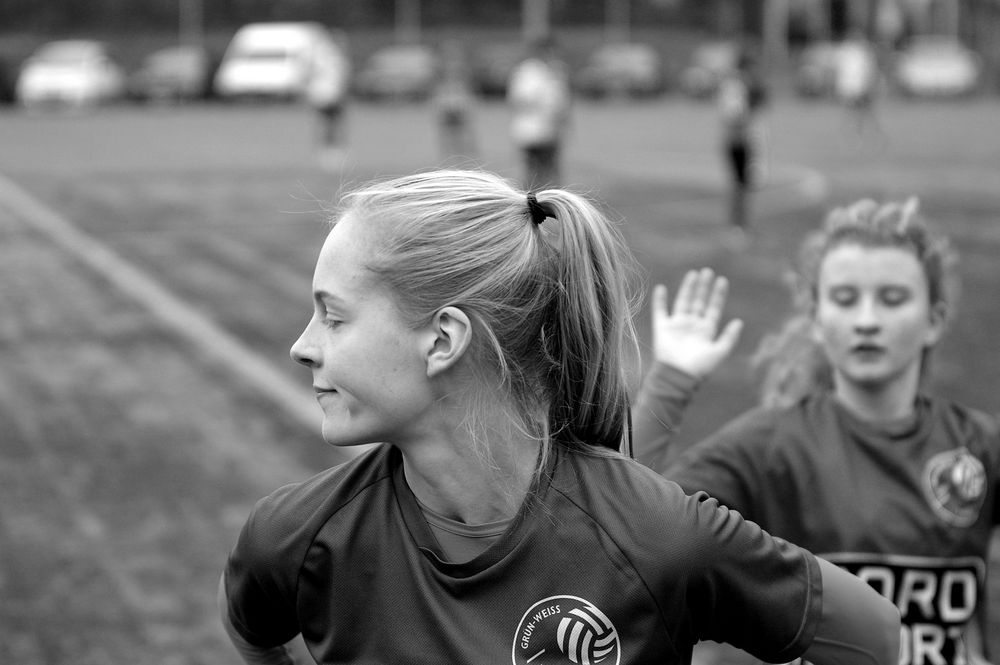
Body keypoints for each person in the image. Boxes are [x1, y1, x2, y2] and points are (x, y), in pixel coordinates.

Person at [218, 169, 900, 664]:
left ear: (444, 340)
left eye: (333, 315)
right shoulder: (296, 539)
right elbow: (254, 629)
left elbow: (872, 636)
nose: (302, 345)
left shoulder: (656, 535)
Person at [633, 197, 995, 665]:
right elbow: (630, 522)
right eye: (845, 299)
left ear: (934, 320)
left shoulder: (977, 444)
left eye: (893, 298)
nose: (867, 320)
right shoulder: (772, 446)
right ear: (817, 320)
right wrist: (671, 381)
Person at [507, 36, 571, 189]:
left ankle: (551, 199)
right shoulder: (528, 71)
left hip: (552, 130)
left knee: (552, 170)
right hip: (532, 130)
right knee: (534, 171)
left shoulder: (557, 70)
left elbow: (563, 100)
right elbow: (519, 99)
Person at [717, 48, 768, 234]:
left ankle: (742, 223)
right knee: (740, 185)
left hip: (741, 140)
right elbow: (733, 114)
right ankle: (737, 225)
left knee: (744, 184)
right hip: (738, 140)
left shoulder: (740, 84)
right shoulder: (736, 85)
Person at [305, 34, 351, 171]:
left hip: (324, 94)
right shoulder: (335, 59)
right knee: (331, 124)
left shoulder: (321, 58)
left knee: (329, 124)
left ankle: (329, 152)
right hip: (329, 94)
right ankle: (330, 152)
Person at [835, 31, 883, 142]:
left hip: (858, 87)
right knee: (857, 112)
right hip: (852, 87)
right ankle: (857, 132)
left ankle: (862, 132)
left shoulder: (861, 52)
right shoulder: (852, 52)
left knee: (862, 111)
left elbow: (868, 70)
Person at [434, 39, 477, 161]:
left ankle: (464, 155)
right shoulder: (440, 69)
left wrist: (468, 104)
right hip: (446, 104)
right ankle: (450, 156)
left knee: (463, 132)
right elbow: (438, 89)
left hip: (459, 104)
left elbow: (467, 88)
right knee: (448, 133)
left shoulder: (462, 69)